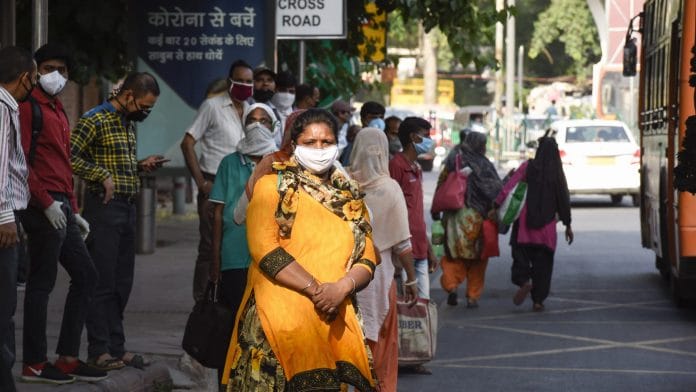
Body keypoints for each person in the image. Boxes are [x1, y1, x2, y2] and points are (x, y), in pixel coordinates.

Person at [222, 109, 378, 391]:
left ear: (337, 145)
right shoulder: (271, 186)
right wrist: (318, 290)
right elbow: (264, 248)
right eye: (310, 142)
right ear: (294, 145)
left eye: (326, 142)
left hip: (332, 318)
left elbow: (367, 254)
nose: (319, 149)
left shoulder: (349, 196)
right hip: (278, 322)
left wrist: (342, 288)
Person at [18, 43, 106, 384]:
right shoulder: (29, 108)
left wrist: (71, 207)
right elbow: (19, 162)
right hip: (40, 203)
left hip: (61, 203)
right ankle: (34, 363)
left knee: (86, 276)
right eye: (50, 67)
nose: (57, 75)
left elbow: (62, 163)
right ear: (36, 70)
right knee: (42, 282)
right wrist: (46, 202)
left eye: (64, 70)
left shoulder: (56, 108)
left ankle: (68, 357)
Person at [71, 71, 164, 370]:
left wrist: (139, 166)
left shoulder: (126, 123)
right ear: (128, 96)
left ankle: (116, 346)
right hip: (104, 209)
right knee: (102, 281)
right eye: (145, 106)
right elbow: (68, 156)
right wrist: (101, 176)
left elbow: (116, 163)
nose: (146, 112)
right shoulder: (94, 119)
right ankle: (98, 350)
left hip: (127, 208)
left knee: (122, 283)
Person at [209, 103, 278, 387]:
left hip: (270, 260)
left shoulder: (280, 163)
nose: (258, 125)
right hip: (234, 257)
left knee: (265, 328)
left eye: (264, 120)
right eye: (252, 120)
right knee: (234, 327)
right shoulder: (229, 163)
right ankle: (228, 383)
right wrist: (214, 260)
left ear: (273, 126)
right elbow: (217, 212)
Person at [349, 127, 418, 392]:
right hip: (379, 278)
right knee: (383, 346)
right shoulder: (389, 189)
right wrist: (411, 279)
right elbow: (402, 243)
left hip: (343, 277)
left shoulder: (342, 182)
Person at [181, 59, 252, 303]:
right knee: (210, 245)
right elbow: (187, 142)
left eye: (248, 81)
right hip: (213, 182)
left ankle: (228, 299)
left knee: (235, 243)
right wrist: (201, 182)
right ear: (230, 81)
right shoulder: (212, 106)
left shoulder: (252, 111)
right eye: (240, 80)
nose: (245, 85)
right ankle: (202, 305)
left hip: (243, 183)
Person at [495, 133, 573, 312]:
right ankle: (538, 300)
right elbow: (563, 199)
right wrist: (568, 225)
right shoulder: (557, 174)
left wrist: (496, 205)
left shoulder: (527, 167)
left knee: (519, 257)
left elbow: (509, 187)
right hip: (546, 230)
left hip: (524, 227)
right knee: (544, 266)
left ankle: (524, 281)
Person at [389, 117, 437, 375]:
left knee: (421, 303)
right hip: (402, 248)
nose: (428, 139)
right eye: (423, 135)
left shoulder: (416, 168)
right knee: (401, 304)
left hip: (419, 245)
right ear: (412, 138)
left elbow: (417, 212)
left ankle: (416, 356)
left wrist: (428, 246)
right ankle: (397, 358)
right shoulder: (396, 166)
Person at [0, 45, 35, 392]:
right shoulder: (2, 107)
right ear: (25, 77)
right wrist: (4, 217)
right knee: (4, 306)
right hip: (3, 221)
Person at [435, 132, 502, 308]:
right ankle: (472, 295)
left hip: (454, 217)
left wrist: (436, 211)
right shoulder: (484, 164)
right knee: (478, 258)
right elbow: (495, 190)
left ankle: (451, 286)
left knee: (453, 256)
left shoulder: (453, 161)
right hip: (477, 218)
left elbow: (441, 185)